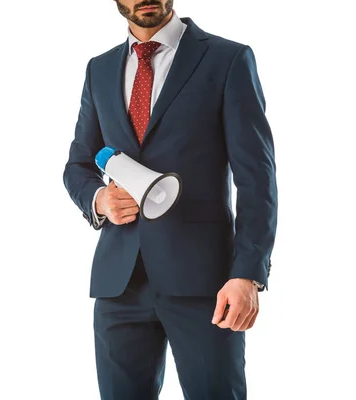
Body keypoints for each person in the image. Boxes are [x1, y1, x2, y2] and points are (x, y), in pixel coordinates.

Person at [63, 1, 277, 399]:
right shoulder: (100, 69)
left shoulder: (228, 59)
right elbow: (78, 163)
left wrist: (247, 273)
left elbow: (257, 179)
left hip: (207, 285)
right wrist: (98, 199)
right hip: (119, 283)